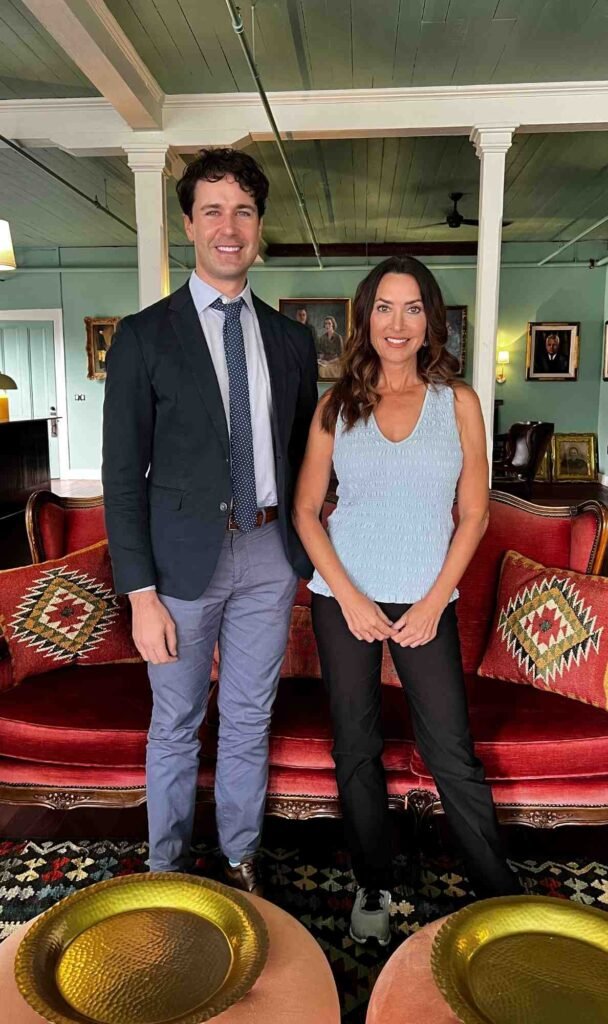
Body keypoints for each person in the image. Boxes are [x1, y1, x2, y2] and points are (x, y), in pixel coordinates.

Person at [102, 148, 317, 894]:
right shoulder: (143, 336)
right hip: (179, 565)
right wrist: (138, 594)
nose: (230, 227)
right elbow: (122, 477)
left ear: (260, 227)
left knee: (250, 716)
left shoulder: (290, 341)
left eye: (245, 211)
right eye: (214, 211)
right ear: (189, 224)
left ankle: (239, 857)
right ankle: (165, 868)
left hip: (267, 554)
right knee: (177, 721)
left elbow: (300, 458)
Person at [293, 255, 519, 946]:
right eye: (385, 308)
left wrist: (432, 601)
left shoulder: (460, 404)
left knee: (449, 747)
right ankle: (373, 881)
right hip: (344, 598)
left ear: (432, 320)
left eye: (413, 308)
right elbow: (307, 511)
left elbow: (474, 513)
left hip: (427, 600)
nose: (397, 323)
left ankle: (498, 894)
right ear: (366, 318)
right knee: (356, 744)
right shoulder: (336, 405)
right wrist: (352, 600)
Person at [317, 315, 344, 379]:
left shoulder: (338, 337)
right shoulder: (322, 338)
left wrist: (329, 362)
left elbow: (341, 356)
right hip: (324, 361)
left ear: (333, 325)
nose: (327, 325)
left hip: (335, 362)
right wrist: (321, 359)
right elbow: (321, 353)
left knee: (324, 370)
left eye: (329, 323)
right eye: (326, 323)